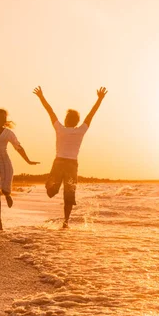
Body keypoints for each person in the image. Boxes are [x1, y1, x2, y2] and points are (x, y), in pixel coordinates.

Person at [33, 85, 107, 228]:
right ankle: (66, 221)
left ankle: (49, 186)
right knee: (69, 194)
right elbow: (91, 114)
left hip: (60, 162)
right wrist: (99, 99)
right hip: (72, 165)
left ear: (67, 119)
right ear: (77, 121)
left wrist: (41, 96)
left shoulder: (60, 128)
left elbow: (50, 111)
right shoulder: (80, 130)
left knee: (53, 192)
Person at [0, 84, 39, 230]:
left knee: (4, 190)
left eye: (4, 118)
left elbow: (18, 147)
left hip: (5, 163)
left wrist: (28, 160)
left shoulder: (8, 133)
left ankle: (8, 194)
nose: (3, 119)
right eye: (0, 117)